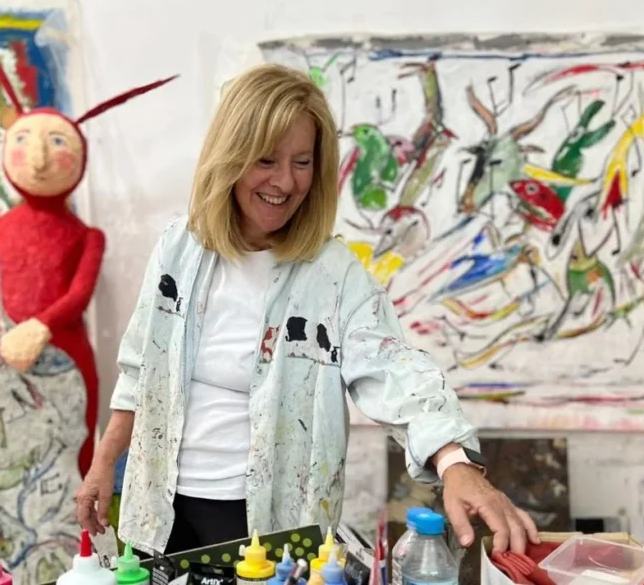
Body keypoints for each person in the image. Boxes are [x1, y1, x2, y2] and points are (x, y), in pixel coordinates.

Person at [76, 64, 540, 556]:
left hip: (268, 527)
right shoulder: (179, 247)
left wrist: (454, 462)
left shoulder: (334, 276)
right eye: (266, 160)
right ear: (229, 156)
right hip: (157, 510)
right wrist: (104, 463)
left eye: (302, 162)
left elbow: (393, 370)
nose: (284, 182)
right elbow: (139, 368)